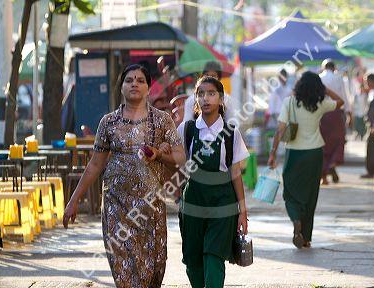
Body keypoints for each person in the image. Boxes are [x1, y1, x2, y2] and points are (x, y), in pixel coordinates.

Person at [63, 64, 186, 287]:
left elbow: (180, 157)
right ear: (121, 87)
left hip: (151, 206)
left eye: (140, 80)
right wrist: (73, 202)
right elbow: (94, 165)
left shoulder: (162, 121)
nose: (134, 84)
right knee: (124, 271)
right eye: (129, 80)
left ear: (149, 88)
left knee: (153, 269)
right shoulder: (108, 122)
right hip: (116, 206)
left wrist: (158, 153)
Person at [177, 76, 249, 288]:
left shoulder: (231, 132)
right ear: (196, 99)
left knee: (214, 255)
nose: (205, 98)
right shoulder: (186, 129)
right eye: (201, 94)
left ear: (221, 99)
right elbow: (176, 162)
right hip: (193, 200)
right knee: (192, 259)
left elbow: (236, 173)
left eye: (211, 93)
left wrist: (242, 211)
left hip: (223, 203)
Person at [268, 71, 344, 249]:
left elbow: (280, 130)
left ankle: (296, 220)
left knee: (290, 193)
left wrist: (272, 153)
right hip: (315, 153)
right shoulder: (321, 103)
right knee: (311, 196)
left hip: (294, 153)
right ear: (318, 87)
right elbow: (341, 102)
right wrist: (325, 90)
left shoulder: (290, 102)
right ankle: (307, 238)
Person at [319, 60, 350, 185]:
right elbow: (344, 97)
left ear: (323, 68)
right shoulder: (338, 78)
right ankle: (333, 163)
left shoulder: (319, 78)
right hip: (337, 113)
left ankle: (324, 177)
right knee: (338, 142)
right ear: (334, 68)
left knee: (324, 145)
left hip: (322, 114)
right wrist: (349, 113)